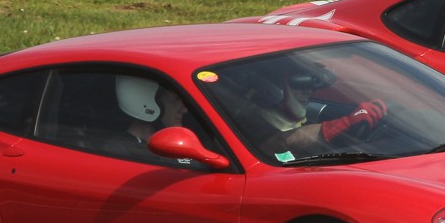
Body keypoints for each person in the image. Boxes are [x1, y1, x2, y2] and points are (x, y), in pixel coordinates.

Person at [213, 60, 386, 160]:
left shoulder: (302, 121)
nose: (308, 92)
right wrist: (344, 124)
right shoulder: (249, 125)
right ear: (273, 88)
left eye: (311, 87)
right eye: (299, 85)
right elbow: (279, 143)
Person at [115, 76, 191, 144]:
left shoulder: (172, 145)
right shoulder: (121, 151)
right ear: (147, 104)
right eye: (173, 102)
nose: (184, 110)